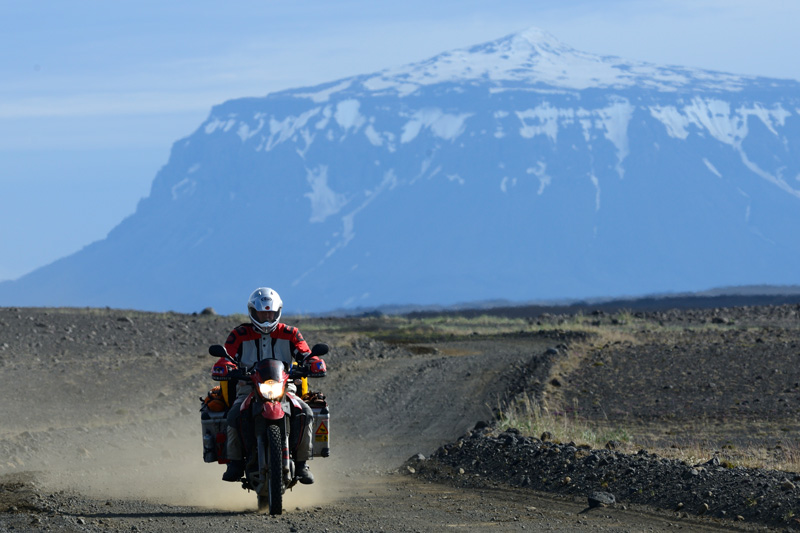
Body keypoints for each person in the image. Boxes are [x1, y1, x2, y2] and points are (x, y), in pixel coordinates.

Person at [220, 287, 318, 484]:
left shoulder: (291, 333)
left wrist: (314, 362)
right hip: (249, 386)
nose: (266, 317)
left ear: (277, 312)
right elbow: (226, 356)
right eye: (262, 313)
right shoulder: (239, 334)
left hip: (285, 385)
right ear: (252, 312)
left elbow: (305, 353)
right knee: (234, 413)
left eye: (270, 313)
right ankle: (235, 462)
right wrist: (224, 366)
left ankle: (302, 464)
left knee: (306, 412)